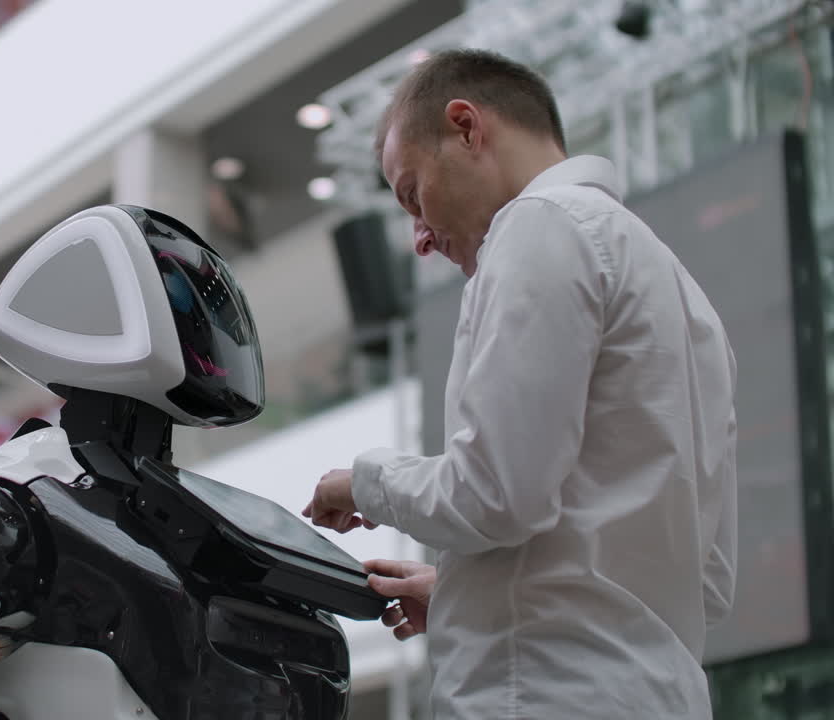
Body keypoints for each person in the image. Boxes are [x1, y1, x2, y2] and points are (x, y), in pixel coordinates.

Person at [303, 49, 737, 719]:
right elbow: (710, 580)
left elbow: (496, 493)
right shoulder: (684, 295)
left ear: (467, 127)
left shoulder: (539, 227)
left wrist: (363, 482)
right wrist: (467, 594)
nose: (419, 238)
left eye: (413, 195)